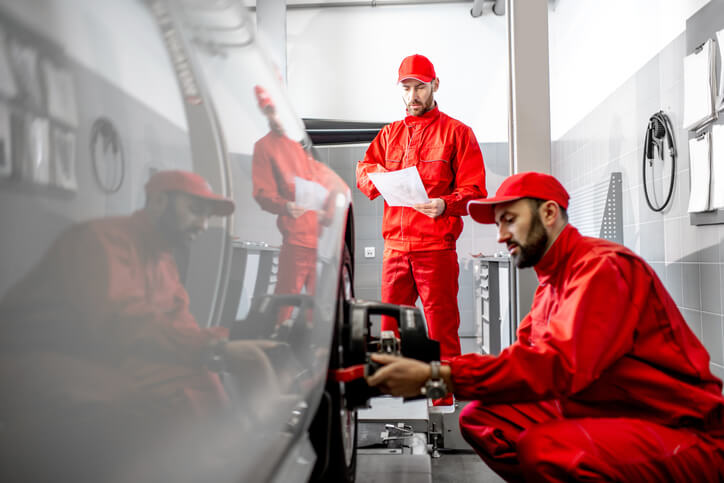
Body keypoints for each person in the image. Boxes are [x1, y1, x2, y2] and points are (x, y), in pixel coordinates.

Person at [366, 171, 724, 481]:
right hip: (602, 409)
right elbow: (523, 358)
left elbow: (556, 367)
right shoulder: (551, 282)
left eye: (509, 219)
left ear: (548, 213)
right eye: (498, 224)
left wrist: (437, 375)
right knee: (483, 418)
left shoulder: (601, 268)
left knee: (548, 449)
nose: (500, 236)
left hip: (680, 429)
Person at [0, 170, 281, 482]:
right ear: (160, 201)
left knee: (201, 384)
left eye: (208, 216)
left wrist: (229, 349)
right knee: (138, 405)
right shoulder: (101, 239)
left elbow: (179, 324)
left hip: (101, 355)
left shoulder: (163, 260)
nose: (203, 226)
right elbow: (123, 320)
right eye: (195, 211)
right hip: (34, 358)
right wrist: (213, 347)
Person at [356, 54, 487, 403]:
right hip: (395, 249)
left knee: (442, 332)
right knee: (389, 332)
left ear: (435, 86)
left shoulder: (458, 133)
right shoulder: (389, 135)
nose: (413, 95)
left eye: (420, 87)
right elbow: (364, 172)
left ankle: (444, 408)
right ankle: (392, 404)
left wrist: (446, 203)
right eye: (407, 88)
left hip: (435, 247)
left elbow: (475, 190)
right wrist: (375, 177)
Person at [251, 85, 344, 325]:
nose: (276, 117)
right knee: (285, 303)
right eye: (270, 111)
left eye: (279, 111)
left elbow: (329, 186)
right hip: (295, 243)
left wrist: (328, 212)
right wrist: (285, 206)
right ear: (265, 113)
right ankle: (274, 340)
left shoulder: (298, 149)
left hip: (319, 245)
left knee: (318, 311)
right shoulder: (265, 147)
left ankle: (312, 351)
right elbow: (263, 192)